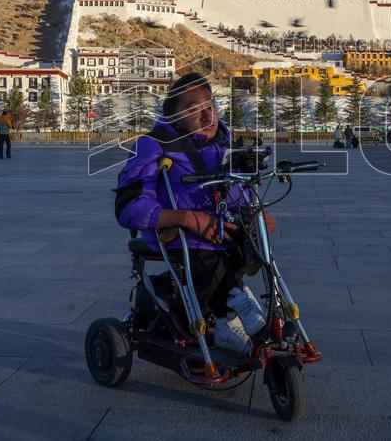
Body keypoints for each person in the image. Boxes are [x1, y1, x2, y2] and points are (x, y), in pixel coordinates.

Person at [114, 73, 277, 355]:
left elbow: (241, 194)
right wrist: (185, 218)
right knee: (209, 261)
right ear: (173, 117)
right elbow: (128, 207)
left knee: (252, 251)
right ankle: (236, 310)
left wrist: (255, 214)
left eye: (210, 107)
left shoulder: (226, 145)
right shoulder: (152, 145)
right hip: (177, 235)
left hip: (223, 234)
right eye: (193, 110)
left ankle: (237, 313)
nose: (206, 117)